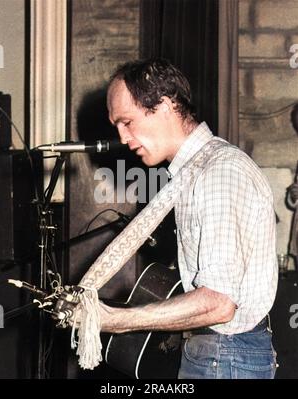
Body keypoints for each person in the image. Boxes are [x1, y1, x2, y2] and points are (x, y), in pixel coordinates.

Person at [99, 58, 278, 379]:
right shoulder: (195, 172)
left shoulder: (218, 173)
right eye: (117, 127)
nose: (123, 138)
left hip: (226, 355)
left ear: (165, 105)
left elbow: (219, 303)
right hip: (216, 352)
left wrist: (116, 321)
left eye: (127, 122)